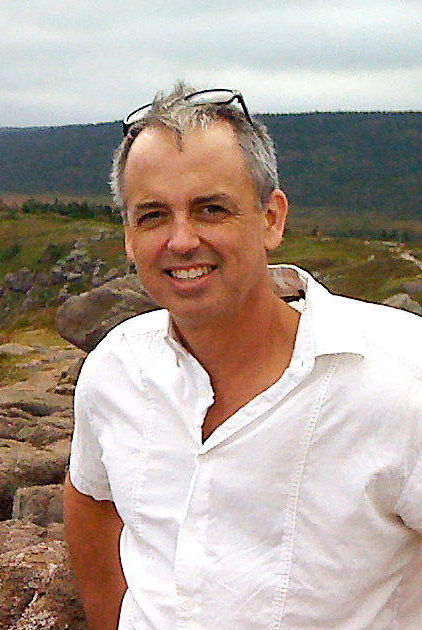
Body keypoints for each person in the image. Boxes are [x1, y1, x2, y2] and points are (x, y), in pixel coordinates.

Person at [64, 83, 422, 630]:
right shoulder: (117, 368)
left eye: (211, 209)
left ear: (271, 218)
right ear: (129, 238)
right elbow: (91, 498)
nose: (181, 241)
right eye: (153, 215)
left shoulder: (400, 374)